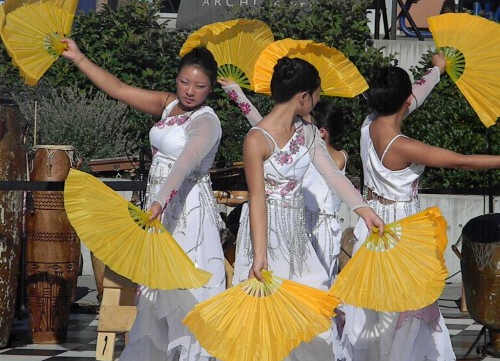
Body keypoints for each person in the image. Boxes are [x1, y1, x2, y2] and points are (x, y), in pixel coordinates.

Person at [62, 39, 225, 360]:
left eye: (199, 85)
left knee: (187, 294)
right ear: (176, 78)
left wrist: (160, 201)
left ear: (210, 89)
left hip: (186, 212)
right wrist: (79, 57)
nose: (190, 90)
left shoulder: (206, 121)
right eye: (184, 82)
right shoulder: (168, 105)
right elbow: (119, 88)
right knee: (155, 297)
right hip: (157, 209)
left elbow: (185, 163)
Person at [340, 53, 500, 361]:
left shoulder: (369, 124)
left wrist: (436, 70)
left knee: (376, 309)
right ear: (405, 99)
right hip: (400, 232)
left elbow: (416, 96)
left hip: (371, 225)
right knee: (405, 307)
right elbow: (461, 161)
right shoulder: (402, 146)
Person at [229, 57, 384, 360]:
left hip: (296, 234)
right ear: (303, 97)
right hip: (264, 232)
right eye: (317, 94)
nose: (319, 99)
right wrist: (260, 255)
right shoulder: (256, 139)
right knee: (266, 319)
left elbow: (331, 174)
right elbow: (257, 199)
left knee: (315, 305)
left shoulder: (308, 133)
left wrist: (364, 210)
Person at [219, 79, 350, 285]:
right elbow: (263, 128)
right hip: (294, 221)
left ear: (322, 131)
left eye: (307, 117)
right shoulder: (294, 143)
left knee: (316, 286)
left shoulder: (317, 146)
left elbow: (334, 177)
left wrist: (364, 210)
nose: (298, 120)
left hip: (319, 226)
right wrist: (237, 95)